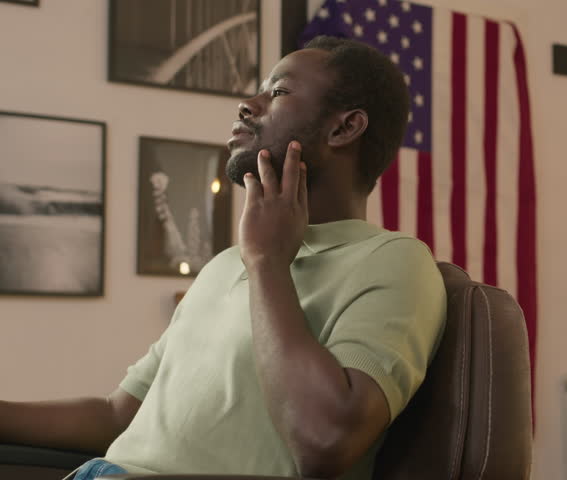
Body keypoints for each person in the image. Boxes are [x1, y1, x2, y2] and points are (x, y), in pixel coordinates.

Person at [0, 36, 447, 480]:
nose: (246, 104)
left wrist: (268, 264)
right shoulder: (224, 265)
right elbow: (120, 414)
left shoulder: (394, 262)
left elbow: (325, 442)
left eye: (278, 91)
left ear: (344, 128)